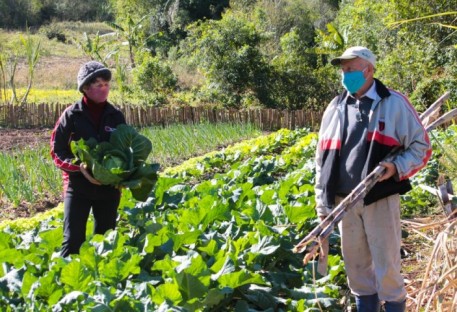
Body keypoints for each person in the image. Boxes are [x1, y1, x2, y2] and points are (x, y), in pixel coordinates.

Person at [314, 46, 432, 312]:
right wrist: (322, 203)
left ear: (369, 70)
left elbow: (421, 147)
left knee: (388, 269)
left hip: (378, 198)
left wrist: (396, 166)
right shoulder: (335, 107)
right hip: (344, 203)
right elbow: (321, 160)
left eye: (351, 69)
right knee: (357, 271)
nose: (345, 75)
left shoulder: (393, 103)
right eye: (343, 70)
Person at [50, 61, 126, 257]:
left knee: (106, 240)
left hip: (108, 188)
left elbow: (127, 151)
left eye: (107, 84)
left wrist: (123, 177)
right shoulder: (71, 115)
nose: (105, 89)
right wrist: (80, 168)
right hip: (78, 187)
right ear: (85, 88)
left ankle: (101, 285)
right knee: (73, 240)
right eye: (99, 85)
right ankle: (69, 284)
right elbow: (57, 151)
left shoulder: (115, 116)